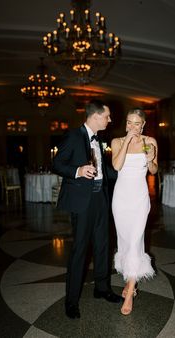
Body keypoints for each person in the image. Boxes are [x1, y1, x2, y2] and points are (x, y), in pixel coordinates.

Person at [53, 100, 121, 319]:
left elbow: (106, 171)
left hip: (101, 198)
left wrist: (130, 172)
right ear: (95, 116)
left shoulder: (99, 139)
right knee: (80, 250)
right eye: (107, 116)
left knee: (103, 245)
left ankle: (102, 288)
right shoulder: (74, 136)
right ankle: (71, 301)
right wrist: (78, 170)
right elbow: (57, 164)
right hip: (82, 201)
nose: (110, 120)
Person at [111, 107, 157, 315]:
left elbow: (154, 170)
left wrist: (150, 157)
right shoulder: (117, 142)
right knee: (125, 241)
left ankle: (130, 292)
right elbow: (117, 166)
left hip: (139, 197)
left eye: (136, 123)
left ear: (143, 124)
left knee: (136, 240)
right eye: (129, 122)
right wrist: (128, 141)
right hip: (120, 198)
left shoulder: (151, 142)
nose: (132, 126)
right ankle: (131, 280)